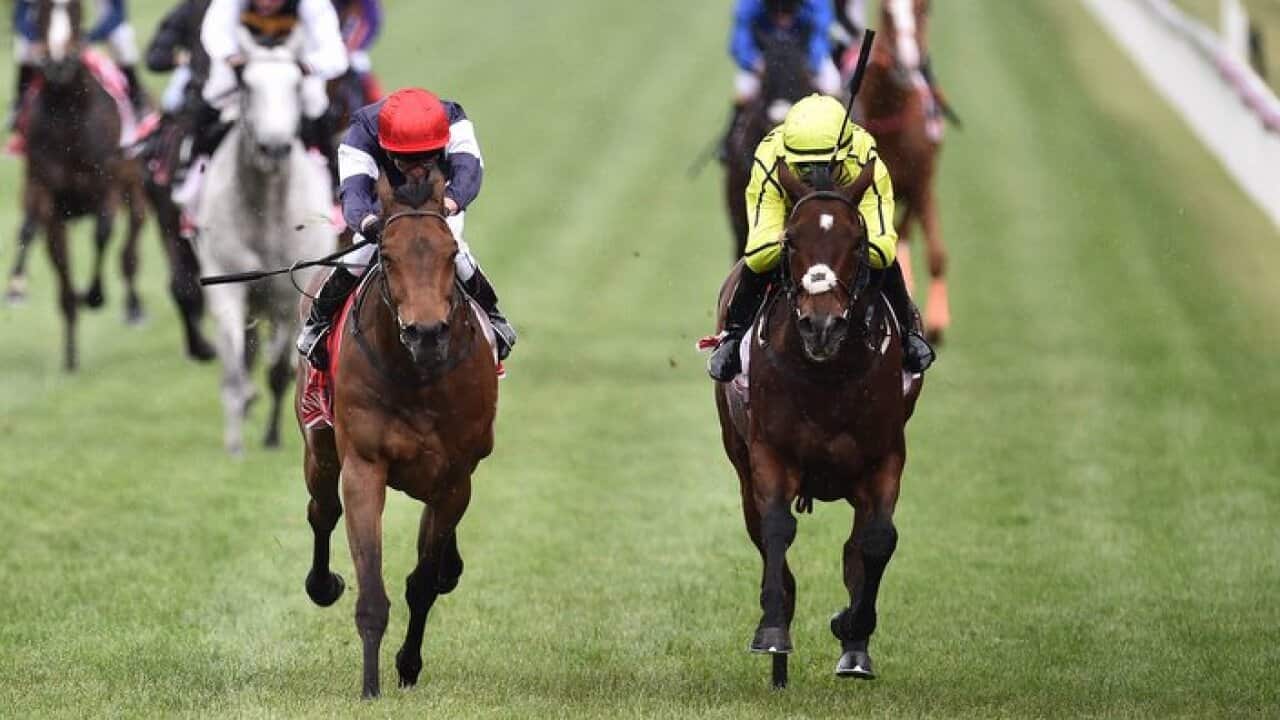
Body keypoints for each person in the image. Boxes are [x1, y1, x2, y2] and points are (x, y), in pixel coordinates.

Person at [707, 93, 934, 382]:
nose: (815, 177)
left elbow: (882, 248)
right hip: (789, 222)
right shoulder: (771, 159)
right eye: (804, 169)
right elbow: (760, 251)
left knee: (883, 260)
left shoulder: (864, 157)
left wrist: (845, 240)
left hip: (850, 224)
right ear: (790, 159)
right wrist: (799, 241)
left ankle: (908, 333)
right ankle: (734, 336)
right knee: (758, 262)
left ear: (843, 155)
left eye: (825, 168)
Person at [297, 87, 516, 370]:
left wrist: (447, 206)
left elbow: (469, 172)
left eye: (426, 159)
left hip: (439, 203)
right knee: (358, 258)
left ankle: (493, 316)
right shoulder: (362, 132)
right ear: (386, 147)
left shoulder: (454, 121)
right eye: (405, 160)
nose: (415, 171)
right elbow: (353, 194)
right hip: (384, 206)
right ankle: (319, 322)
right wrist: (370, 225)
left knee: (456, 249)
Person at [196, 0, 348, 172]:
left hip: (293, 65)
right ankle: (196, 165)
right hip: (245, 63)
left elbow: (335, 53)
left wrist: (307, 66)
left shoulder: (313, 4)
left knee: (315, 103)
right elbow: (214, 32)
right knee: (215, 95)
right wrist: (230, 57)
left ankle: (332, 173)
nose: (266, 3)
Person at [722, 0, 841, 160]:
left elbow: (821, 31)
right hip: (762, 58)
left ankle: (842, 140)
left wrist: (808, 63)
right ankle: (732, 142)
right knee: (745, 91)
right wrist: (754, 62)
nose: (782, 20)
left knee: (832, 85)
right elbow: (740, 39)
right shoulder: (749, 4)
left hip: (804, 55)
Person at [332, 0, 381, 102]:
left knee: (352, 58)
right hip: (337, 14)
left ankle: (379, 103)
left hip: (363, 16)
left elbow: (359, 12)